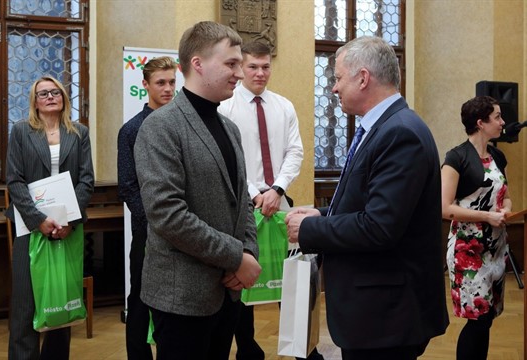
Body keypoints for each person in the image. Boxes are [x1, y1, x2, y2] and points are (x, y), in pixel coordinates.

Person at [284, 36, 449, 360]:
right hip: (377, 313)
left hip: (387, 317)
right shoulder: (384, 127)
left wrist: (309, 231)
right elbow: (369, 203)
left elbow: (380, 226)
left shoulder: (399, 133)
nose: (333, 88)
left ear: (363, 78)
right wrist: (322, 215)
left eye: (338, 78)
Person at [133, 21, 261, 359]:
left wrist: (248, 253)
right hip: (182, 298)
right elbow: (167, 216)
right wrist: (236, 257)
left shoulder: (229, 128)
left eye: (239, 63)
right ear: (198, 64)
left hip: (226, 292)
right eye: (231, 64)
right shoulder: (160, 127)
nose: (239, 73)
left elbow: (242, 202)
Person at [219, 42, 323, 360]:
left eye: (265, 67)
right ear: (240, 68)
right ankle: (248, 348)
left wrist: (276, 190)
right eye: (253, 67)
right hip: (241, 202)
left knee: (290, 275)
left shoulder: (283, 106)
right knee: (245, 273)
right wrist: (255, 193)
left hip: (280, 201)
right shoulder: (226, 107)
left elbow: (295, 152)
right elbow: (230, 159)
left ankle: (304, 348)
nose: (260, 73)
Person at [6, 76, 94, 360]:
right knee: (25, 304)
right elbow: (14, 180)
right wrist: (38, 219)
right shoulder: (21, 131)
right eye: (42, 93)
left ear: (64, 97)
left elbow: (86, 180)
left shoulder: (79, 132)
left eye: (55, 91)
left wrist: (69, 219)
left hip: (68, 226)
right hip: (29, 227)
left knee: (61, 299)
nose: (50, 96)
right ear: (34, 101)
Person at [441, 96, 511, 360]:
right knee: (477, 319)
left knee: (488, 316)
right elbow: (445, 207)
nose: (503, 122)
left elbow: (506, 195)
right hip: (468, 251)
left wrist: (505, 209)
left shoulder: (498, 155)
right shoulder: (456, 157)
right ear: (480, 123)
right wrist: (486, 216)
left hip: (496, 247)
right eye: (497, 117)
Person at [117, 56, 177, 359]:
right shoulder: (131, 130)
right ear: (145, 85)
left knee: (174, 301)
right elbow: (127, 185)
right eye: (160, 83)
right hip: (148, 231)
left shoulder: (182, 125)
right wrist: (157, 222)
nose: (168, 89)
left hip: (181, 231)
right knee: (141, 300)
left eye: (172, 82)